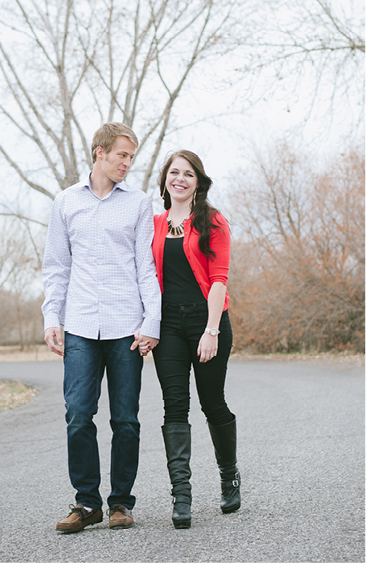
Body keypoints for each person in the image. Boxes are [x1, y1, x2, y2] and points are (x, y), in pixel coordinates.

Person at [42, 122, 162, 533]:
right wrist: (50, 317)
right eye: (122, 155)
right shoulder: (66, 202)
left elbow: (146, 268)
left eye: (131, 157)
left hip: (126, 327)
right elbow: (57, 266)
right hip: (78, 326)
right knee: (78, 414)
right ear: (100, 152)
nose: (128, 163)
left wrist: (152, 320)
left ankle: (121, 504)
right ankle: (86, 503)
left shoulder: (139, 203)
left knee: (125, 419)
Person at [149, 150, 239, 529]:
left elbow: (219, 278)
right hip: (167, 326)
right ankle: (181, 495)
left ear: (198, 182)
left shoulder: (212, 221)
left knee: (212, 403)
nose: (180, 179)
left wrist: (211, 330)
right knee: (174, 407)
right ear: (165, 180)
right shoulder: (153, 224)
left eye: (188, 174)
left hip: (208, 321)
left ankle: (229, 476)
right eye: (174, 172)